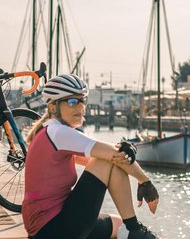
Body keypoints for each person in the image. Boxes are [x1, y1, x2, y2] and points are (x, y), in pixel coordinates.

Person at [23, 74, 160, 239]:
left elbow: (108, 157)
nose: (80, 106)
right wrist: (145, 181)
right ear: (53, 107)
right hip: (52, 228)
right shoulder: (58, 132)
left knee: (119, 227)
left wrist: (120, 152)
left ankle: (131, 230)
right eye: (73, 101)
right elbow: (112, 156)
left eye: (82, 100)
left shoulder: (50, 132)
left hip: (53, 225)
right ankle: (134, 229)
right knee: (108, 160)